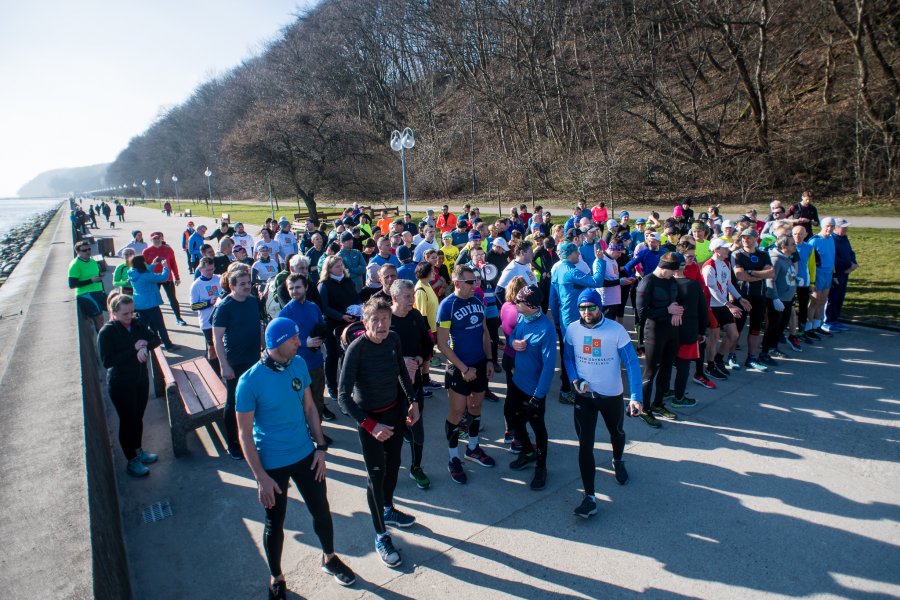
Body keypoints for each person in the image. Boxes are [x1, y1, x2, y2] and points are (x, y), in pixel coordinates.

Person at [236, 318, 356, 597]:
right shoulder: (249, 382)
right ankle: (276, 577)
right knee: (275, 523)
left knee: (321, 510)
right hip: (272, 464)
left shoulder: (298, 364)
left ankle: (329, 557)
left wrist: (321, 447)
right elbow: (244, 434)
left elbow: (311, 408)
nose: (299, 343)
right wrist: (261, 478)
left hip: (306, 455)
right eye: (294, 339)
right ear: (277, 342)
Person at [338, 299, 420, 568]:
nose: (382, 325)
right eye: (376, 320)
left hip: (394, 414)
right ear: (365, 322)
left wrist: (412, 401)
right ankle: (380, 534)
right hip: (370, 422)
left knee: (394, 465)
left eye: (386, 319)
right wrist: (371, 426)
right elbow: (343, 397)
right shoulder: (356, 349)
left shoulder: (393, 339)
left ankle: (388, 508)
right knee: (376, 475)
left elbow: (400, 373)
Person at [562, 289, 643, 519]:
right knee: (585, 445)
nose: (586, 312)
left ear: (600, 307)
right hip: (584, 398)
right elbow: (568, 357)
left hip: (611, 396)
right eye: (582, 307)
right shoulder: (572, 329)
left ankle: (618, 459)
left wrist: (636, 396)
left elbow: (632, 363)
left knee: (616, 432)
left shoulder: (616, 330)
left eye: (591, 307)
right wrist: (574, 379)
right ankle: (590, 497)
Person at [437, 264, 497, 484]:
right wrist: (464, 369)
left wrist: (490, 360)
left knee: (475, 407)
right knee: (457, 412)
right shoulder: (447, 306)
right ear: (457, 283)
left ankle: (472, 448)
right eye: (471, 282)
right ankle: (453, 457)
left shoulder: (478, 300)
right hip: (459, 369)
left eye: (477, 281)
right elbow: (442, 344)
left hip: (480, 365)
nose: (476, 285)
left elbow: (484, 332)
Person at [98, 294, 161, 478]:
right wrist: (133, 349)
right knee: (127, 421)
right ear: (114, 312)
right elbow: (107, 361)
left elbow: (154, 339)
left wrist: (144, 346)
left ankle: (138, 450)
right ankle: (131, 460)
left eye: (132, 312)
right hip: (121, 384)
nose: (130, 316)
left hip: (140, 380)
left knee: (138, 418)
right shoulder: (107, 332)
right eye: (125, 313)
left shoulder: (137, 324)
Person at [505, 286, 555, 490]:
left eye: (519, 301)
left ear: (532, 306)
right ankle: (527, 451)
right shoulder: (522, 318)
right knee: (511, 417)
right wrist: (513, 342)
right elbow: (512, 337)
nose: (515, 303)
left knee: (538, 428)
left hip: (534, 390)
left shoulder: (546, 328)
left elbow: (549, 366)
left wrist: (538, 396)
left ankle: (541, 467)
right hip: (517, 383)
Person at [212, 263, 264, 460]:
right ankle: (233, 444)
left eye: (248, 282)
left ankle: (251, 436)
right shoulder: (225, 306)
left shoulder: (252, 301)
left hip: (254, 359)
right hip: (235, 362)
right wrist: (224, 365)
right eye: (242, 283)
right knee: (234, 402)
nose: (247, 286)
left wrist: (264, 347)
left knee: (254, 399)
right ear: (232, 286)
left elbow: (258, 326)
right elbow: (217, 338)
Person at [388, 280, 433, 489]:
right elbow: (372, 356)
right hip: (389, 390)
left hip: (413, 387)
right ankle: (389, 470)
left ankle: (416, 467)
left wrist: (420, 358)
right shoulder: (384, 321)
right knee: (391, 434)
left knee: (418, 429)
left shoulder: (415, 316)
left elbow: (427, 343)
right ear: (394, 298)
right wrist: (399, 364)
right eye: (407, 297)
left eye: (412, 296)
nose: (412, 301)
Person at [279, 273, 336, 425]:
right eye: (290, 288)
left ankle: (317, 432)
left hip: (316, 362)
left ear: (306, 287)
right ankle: (306, 434)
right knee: (300, 403)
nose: (294, 291)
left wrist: (321, 336)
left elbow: (322, 327)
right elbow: (282, 342)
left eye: (298, 287)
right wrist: (305, 342)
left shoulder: (313, 307)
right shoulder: (285, 313)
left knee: (318, 399)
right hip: (296, 366)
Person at [549, 242, 601, 404]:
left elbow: (553, 299)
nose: (578, 255)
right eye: (576, 253)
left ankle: (570, 387)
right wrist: (599, 261)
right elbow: (597, 281)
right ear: (568, 254)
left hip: (565, 319)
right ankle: (567, 390)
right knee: (573, 355)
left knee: (568, 354)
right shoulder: (571, 271)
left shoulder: (557, 269)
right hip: (574, 320)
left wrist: (557, 320)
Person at [636, 253, 684, 428]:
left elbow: (675, 301)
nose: (674, 275)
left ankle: (658, 403)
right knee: (651, 371)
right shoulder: (647, 282)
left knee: (666, 370)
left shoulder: (671, 281)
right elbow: (642, 313)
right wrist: (667, 311)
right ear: (664, 268)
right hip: (654, 332)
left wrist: (677, 310)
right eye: (672, 271)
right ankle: (643, 408)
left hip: (671, 331)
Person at [318, 255, 361, 402]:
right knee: (332, 355)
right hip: (332, 325)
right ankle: (331, 385)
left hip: (349, 324)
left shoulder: (348, 281)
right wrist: (340, 316)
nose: (340, 268)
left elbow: (356, 297)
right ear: (329, 268)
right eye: (337, 266)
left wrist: (358, 306)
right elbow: (324, 307)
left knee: (347, 355)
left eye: (341, 264)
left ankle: (346, 385)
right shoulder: (324, 285)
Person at [731, 228, 776, 369]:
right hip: (742, 297)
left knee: (756, 329)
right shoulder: (737, 254)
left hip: (759, 296)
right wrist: (760, 274)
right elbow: (740, 276)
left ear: (756, 238)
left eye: (748, 237)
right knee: (737, 329)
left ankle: (751, 358)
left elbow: (771, 273)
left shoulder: (763, 254)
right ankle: (731, 356)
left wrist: (750, 272)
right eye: (743, 237)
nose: (745, 239)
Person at [671, 254, 706, 407]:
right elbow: (702, 310)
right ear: (684, 266)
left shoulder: (665, 284)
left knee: (667, 364)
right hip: (689, 331)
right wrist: (702, 331)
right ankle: (679, 398)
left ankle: (664, 392)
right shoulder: (693, 285)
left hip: (668, 331)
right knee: (684, 366)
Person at [128, 255, 176, 350]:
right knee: (160, 325)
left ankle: (143, 344)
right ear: (142, 264)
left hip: (139, 304)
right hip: (151, 304)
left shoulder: (132, 273)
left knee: (143, 327)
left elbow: (144, 272)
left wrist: (153, 264)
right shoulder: (146, 276)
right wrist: (165, 266)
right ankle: (168, 345)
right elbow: (163, 277)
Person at [762, 235, 798, 360]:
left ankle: (774, 347)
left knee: (782, 325)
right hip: (778, 299)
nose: (795, 245)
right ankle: (765, 350)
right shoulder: (776, 260)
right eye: (792, 244)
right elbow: (770, 279)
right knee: (774, 325)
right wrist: (775, 298)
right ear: (784, 246)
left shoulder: (788, 258)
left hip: (787, 298)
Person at [143, 232, 187, 326]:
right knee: (153, 300)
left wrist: (177, 277)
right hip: (154, 279)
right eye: (154, 239)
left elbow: (173, 263)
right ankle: (153, 320)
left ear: (161, 239)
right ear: (151, 240)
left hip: (167, 278)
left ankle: (178, 318)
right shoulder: (146, 251)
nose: (157, 240)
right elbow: (145, 267)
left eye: (158, 238)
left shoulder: (168, 249)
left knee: (172, 299)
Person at [823, 219, 857, 332]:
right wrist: (848, 264)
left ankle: (835, 319)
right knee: (832, 298)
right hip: (836, 274)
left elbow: (851, 252)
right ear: (836, 228)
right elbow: (834, 257)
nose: (846, 229)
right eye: (843, 227)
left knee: (840, 297)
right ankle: (827, 321)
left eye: (846, 227)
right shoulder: (831, 239)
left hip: (845, 273)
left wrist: (854, 262)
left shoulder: (844, 238)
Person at [189, 257, 222, 373]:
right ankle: (214, 373)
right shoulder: (196, 285)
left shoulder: (219, 278)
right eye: (208, 270)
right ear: (201, 269)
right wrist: (209, 302)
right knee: (212, 349)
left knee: (222, 347)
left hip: (221, 320)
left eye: (212, 269)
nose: (210, 272)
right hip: (207, 322)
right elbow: (193, 306)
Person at [69, 241, 107, 331]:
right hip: (86, 294)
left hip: (98, 292)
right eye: (84, 250)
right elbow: (72, 285)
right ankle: (102, 342)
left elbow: (98, 278)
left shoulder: (93, 261)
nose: (88, 251)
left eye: (89, 249)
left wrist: (103, 291)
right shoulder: (75, 265)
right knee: (99, 318)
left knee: (114, 310)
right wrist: (91, 281)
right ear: (77, 252)